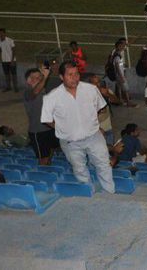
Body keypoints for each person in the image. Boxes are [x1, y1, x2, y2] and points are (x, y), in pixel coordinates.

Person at [40, 61, 115, 193]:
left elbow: (99, 108)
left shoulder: (91, 90)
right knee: (80, 169)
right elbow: (46, 119)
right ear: (61, 77)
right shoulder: (52, 97)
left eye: (76, 74)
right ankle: (89, 194)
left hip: (94, 136)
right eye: (70, 75)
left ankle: (110, 192)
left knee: (104, 165)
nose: (74, 78)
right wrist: (61, 127)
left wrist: (91, 122)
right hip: (70, 141)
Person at [23, 66, 58, 165]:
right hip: (38, 132)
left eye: (40, 77)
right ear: (29, 80)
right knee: (43, 159)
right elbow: (35, 91)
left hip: (50, 128)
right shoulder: (28, 92)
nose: (39, 79)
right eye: (36, 77)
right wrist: (45, 77)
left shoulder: (43, 91)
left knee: (52, 150)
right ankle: (42, 175)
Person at [0, 28, 18, 92]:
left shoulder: (10, 40)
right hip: (4, 61)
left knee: (14, 74)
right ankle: (8, 87)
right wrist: (2, 57)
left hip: (11, 60)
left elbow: (14, 50)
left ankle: (16, 88)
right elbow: (0, 50)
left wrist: (12, 60)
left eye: (2, 33)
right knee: (6, 74)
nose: (1, 34)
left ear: (5, 33)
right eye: (0, 33)